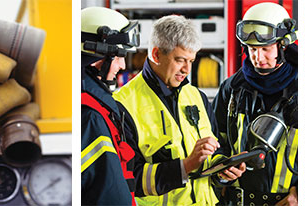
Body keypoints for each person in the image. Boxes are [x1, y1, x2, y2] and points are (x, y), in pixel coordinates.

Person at [113, 15, 243, 205]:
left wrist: (224, 169)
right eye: (180, 60)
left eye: (191, 61)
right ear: (156, 55)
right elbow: (127, 180)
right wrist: (185, 166)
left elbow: (214, 155)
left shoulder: (197, 97)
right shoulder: (122, 105)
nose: (187, 69)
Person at [212, 2, 299, 206]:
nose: (258, 58)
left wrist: (300, 191)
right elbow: (215, 141)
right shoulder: (232, 89)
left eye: (266, 49)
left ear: (283, 45)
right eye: (252, 49)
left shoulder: (301, 91)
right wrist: (221, 166)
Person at [81, 7, 140, 205]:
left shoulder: (98, 105)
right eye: (119, 56)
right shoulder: (91, 116)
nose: (122, 66)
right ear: (96, 56)